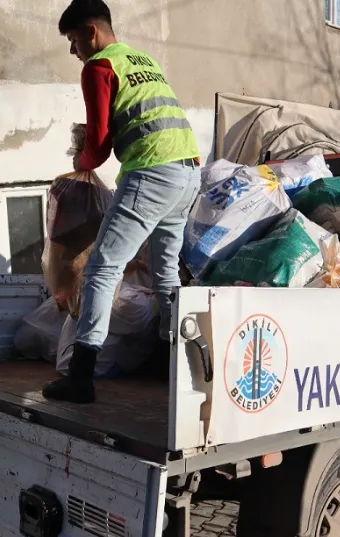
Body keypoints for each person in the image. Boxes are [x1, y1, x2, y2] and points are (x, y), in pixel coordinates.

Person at [42, 0, 202, 404]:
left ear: (91, 33)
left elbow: (96, 147)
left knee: (101, 268)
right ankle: (175, 365)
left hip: (152, 171)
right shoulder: (142, 60)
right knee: (165, 273)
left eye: (74, 40)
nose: (73, 51)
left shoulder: (98, 67)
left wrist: (79, 160)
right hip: (187, 174)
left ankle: (80, 377)